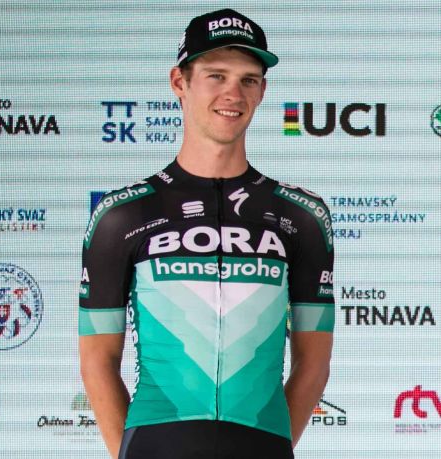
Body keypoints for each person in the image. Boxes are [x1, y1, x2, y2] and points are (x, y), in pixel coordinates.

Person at [79, 8, 334, 459]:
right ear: (179, 82)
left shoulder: (302, 216)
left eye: (248, 80)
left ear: (262, 91)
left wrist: (270, 442)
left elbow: (314, 363)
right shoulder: (122, 214)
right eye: (216, 76)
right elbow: (97, 360)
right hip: (155, 443)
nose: (233, 93)